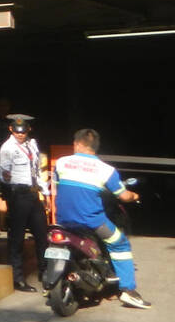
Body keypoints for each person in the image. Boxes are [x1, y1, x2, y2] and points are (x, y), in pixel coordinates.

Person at [53, 128, 149, 309]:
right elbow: (123, 196)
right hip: (92, 222)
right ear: (94, 147)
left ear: (78, 144)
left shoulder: (61, 162)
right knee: (120, 243)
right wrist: (135, 196)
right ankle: (128, 291)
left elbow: (59, 187)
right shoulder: (107, 170)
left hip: (63, 219)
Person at [0, 114, 47, 292]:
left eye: (24, 131)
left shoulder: (31, 144)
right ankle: (18, 279)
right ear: (11, 129)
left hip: (34, 194)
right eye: (17, 131)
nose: (21, 134)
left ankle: (45, 272)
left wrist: (45, 192)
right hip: (18, 194)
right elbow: (4, 174)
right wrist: (9, 194)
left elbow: (36, 169)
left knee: (42, 235)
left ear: (29, 130)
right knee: (17, 238)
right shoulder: (7, 148)